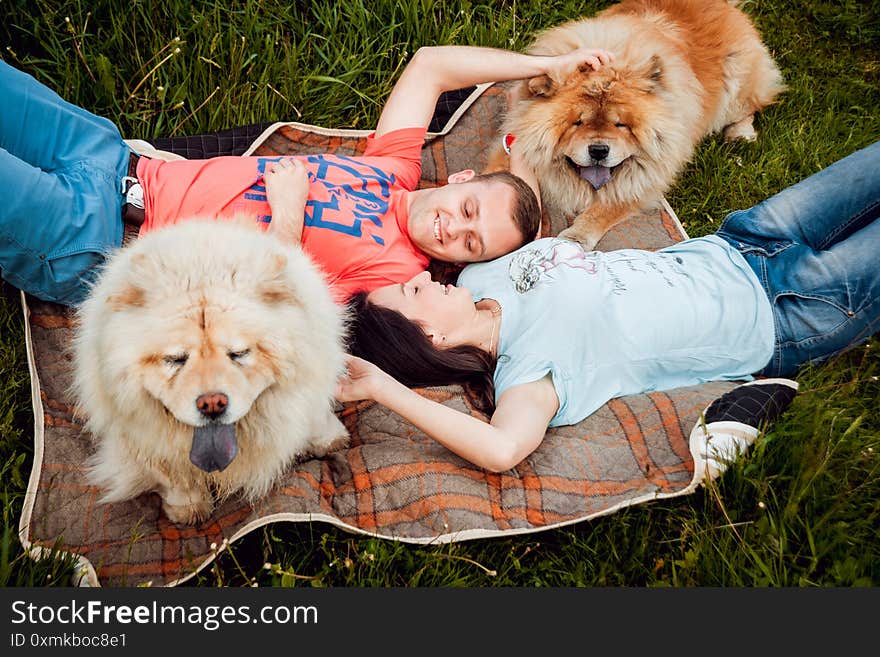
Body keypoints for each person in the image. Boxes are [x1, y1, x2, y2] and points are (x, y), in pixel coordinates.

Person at [335, 141, 880, 473]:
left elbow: (519, 220)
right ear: (433, 338)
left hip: (740, 241)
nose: (421, 281)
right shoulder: (527, 374)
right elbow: (501, 451)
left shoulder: (481, 271)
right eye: (412, 293)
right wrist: (384, 388)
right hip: (786, 312)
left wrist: (519, 161)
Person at [0, 46, 612, 306]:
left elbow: (275, 311)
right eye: (471, 210)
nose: (455, 230)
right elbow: (431, 66)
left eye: (471, 245)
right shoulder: (392, 168)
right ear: (462, 178)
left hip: (100, 236)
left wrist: (288, 214)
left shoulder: (395, 275)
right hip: (116, 159)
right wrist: (552, 65)